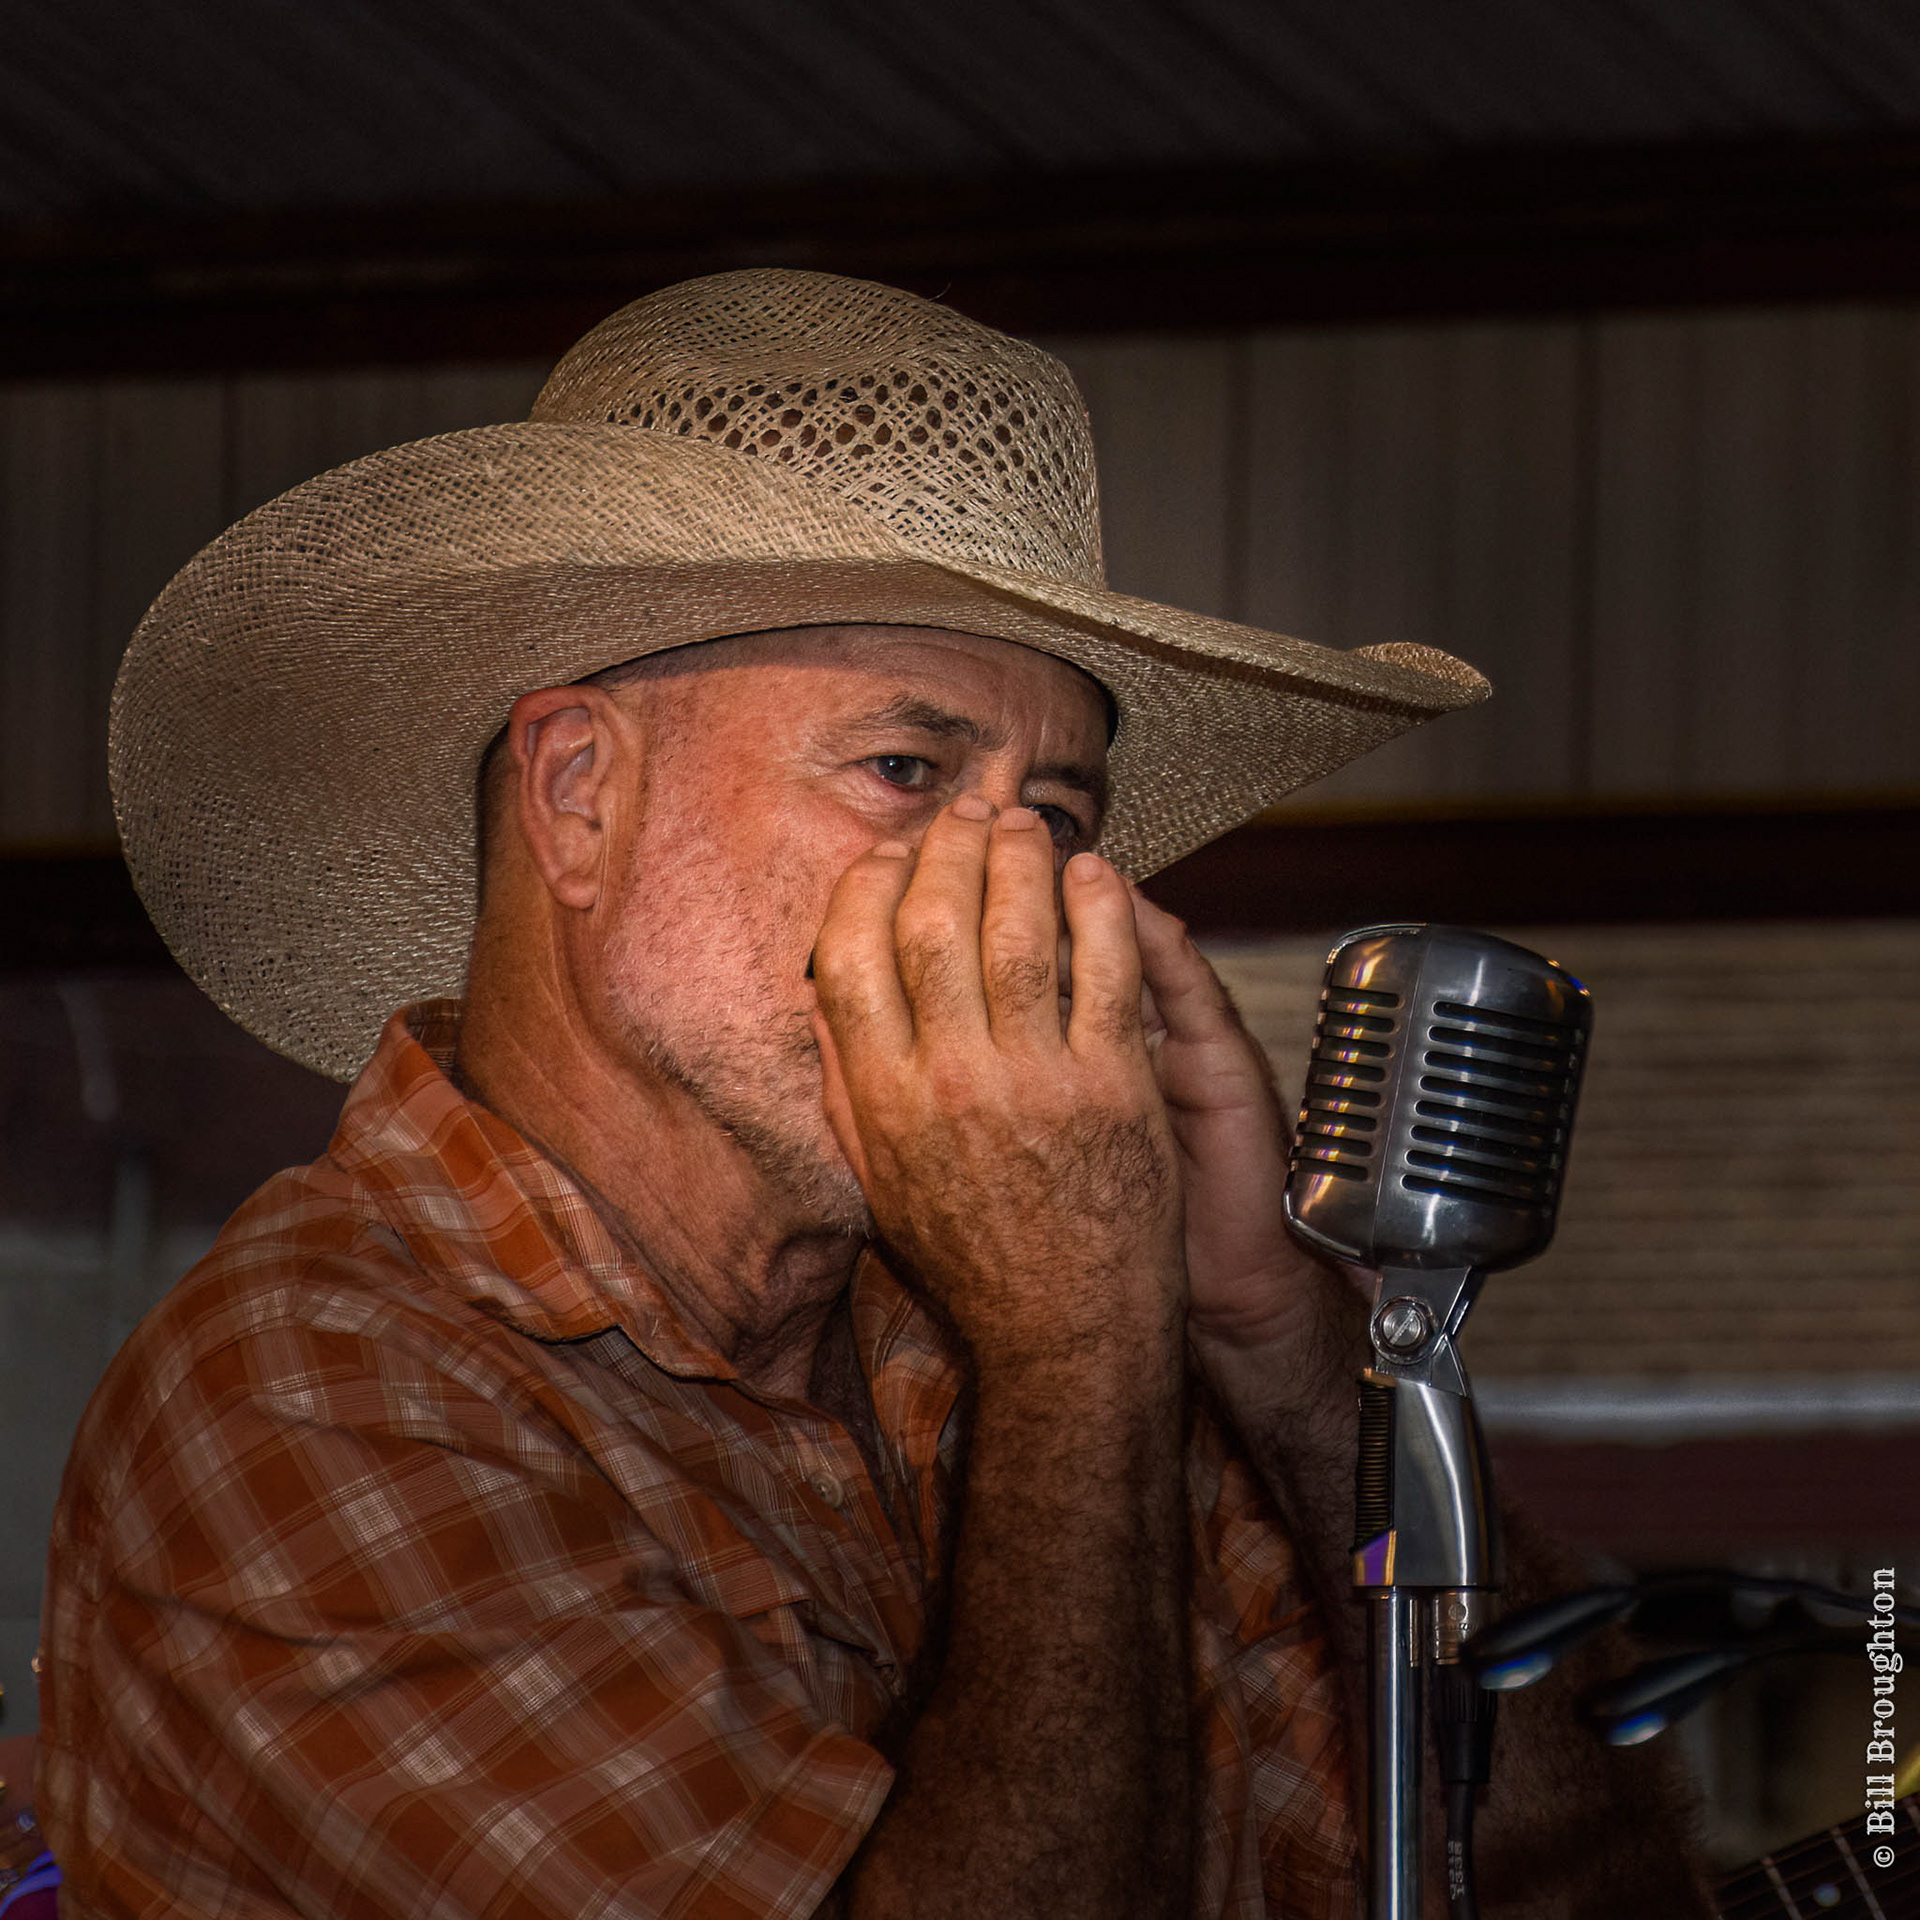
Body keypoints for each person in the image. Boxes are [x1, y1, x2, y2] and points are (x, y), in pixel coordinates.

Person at [38, 270, 1713, 1918]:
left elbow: (1585, 1893)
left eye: (1058, 814)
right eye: (906, 771)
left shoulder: (992, 1334)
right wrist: (1074, 1336)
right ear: (577, 796)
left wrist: (1282, 1340)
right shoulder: (306, 1391)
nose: (1014, 891)